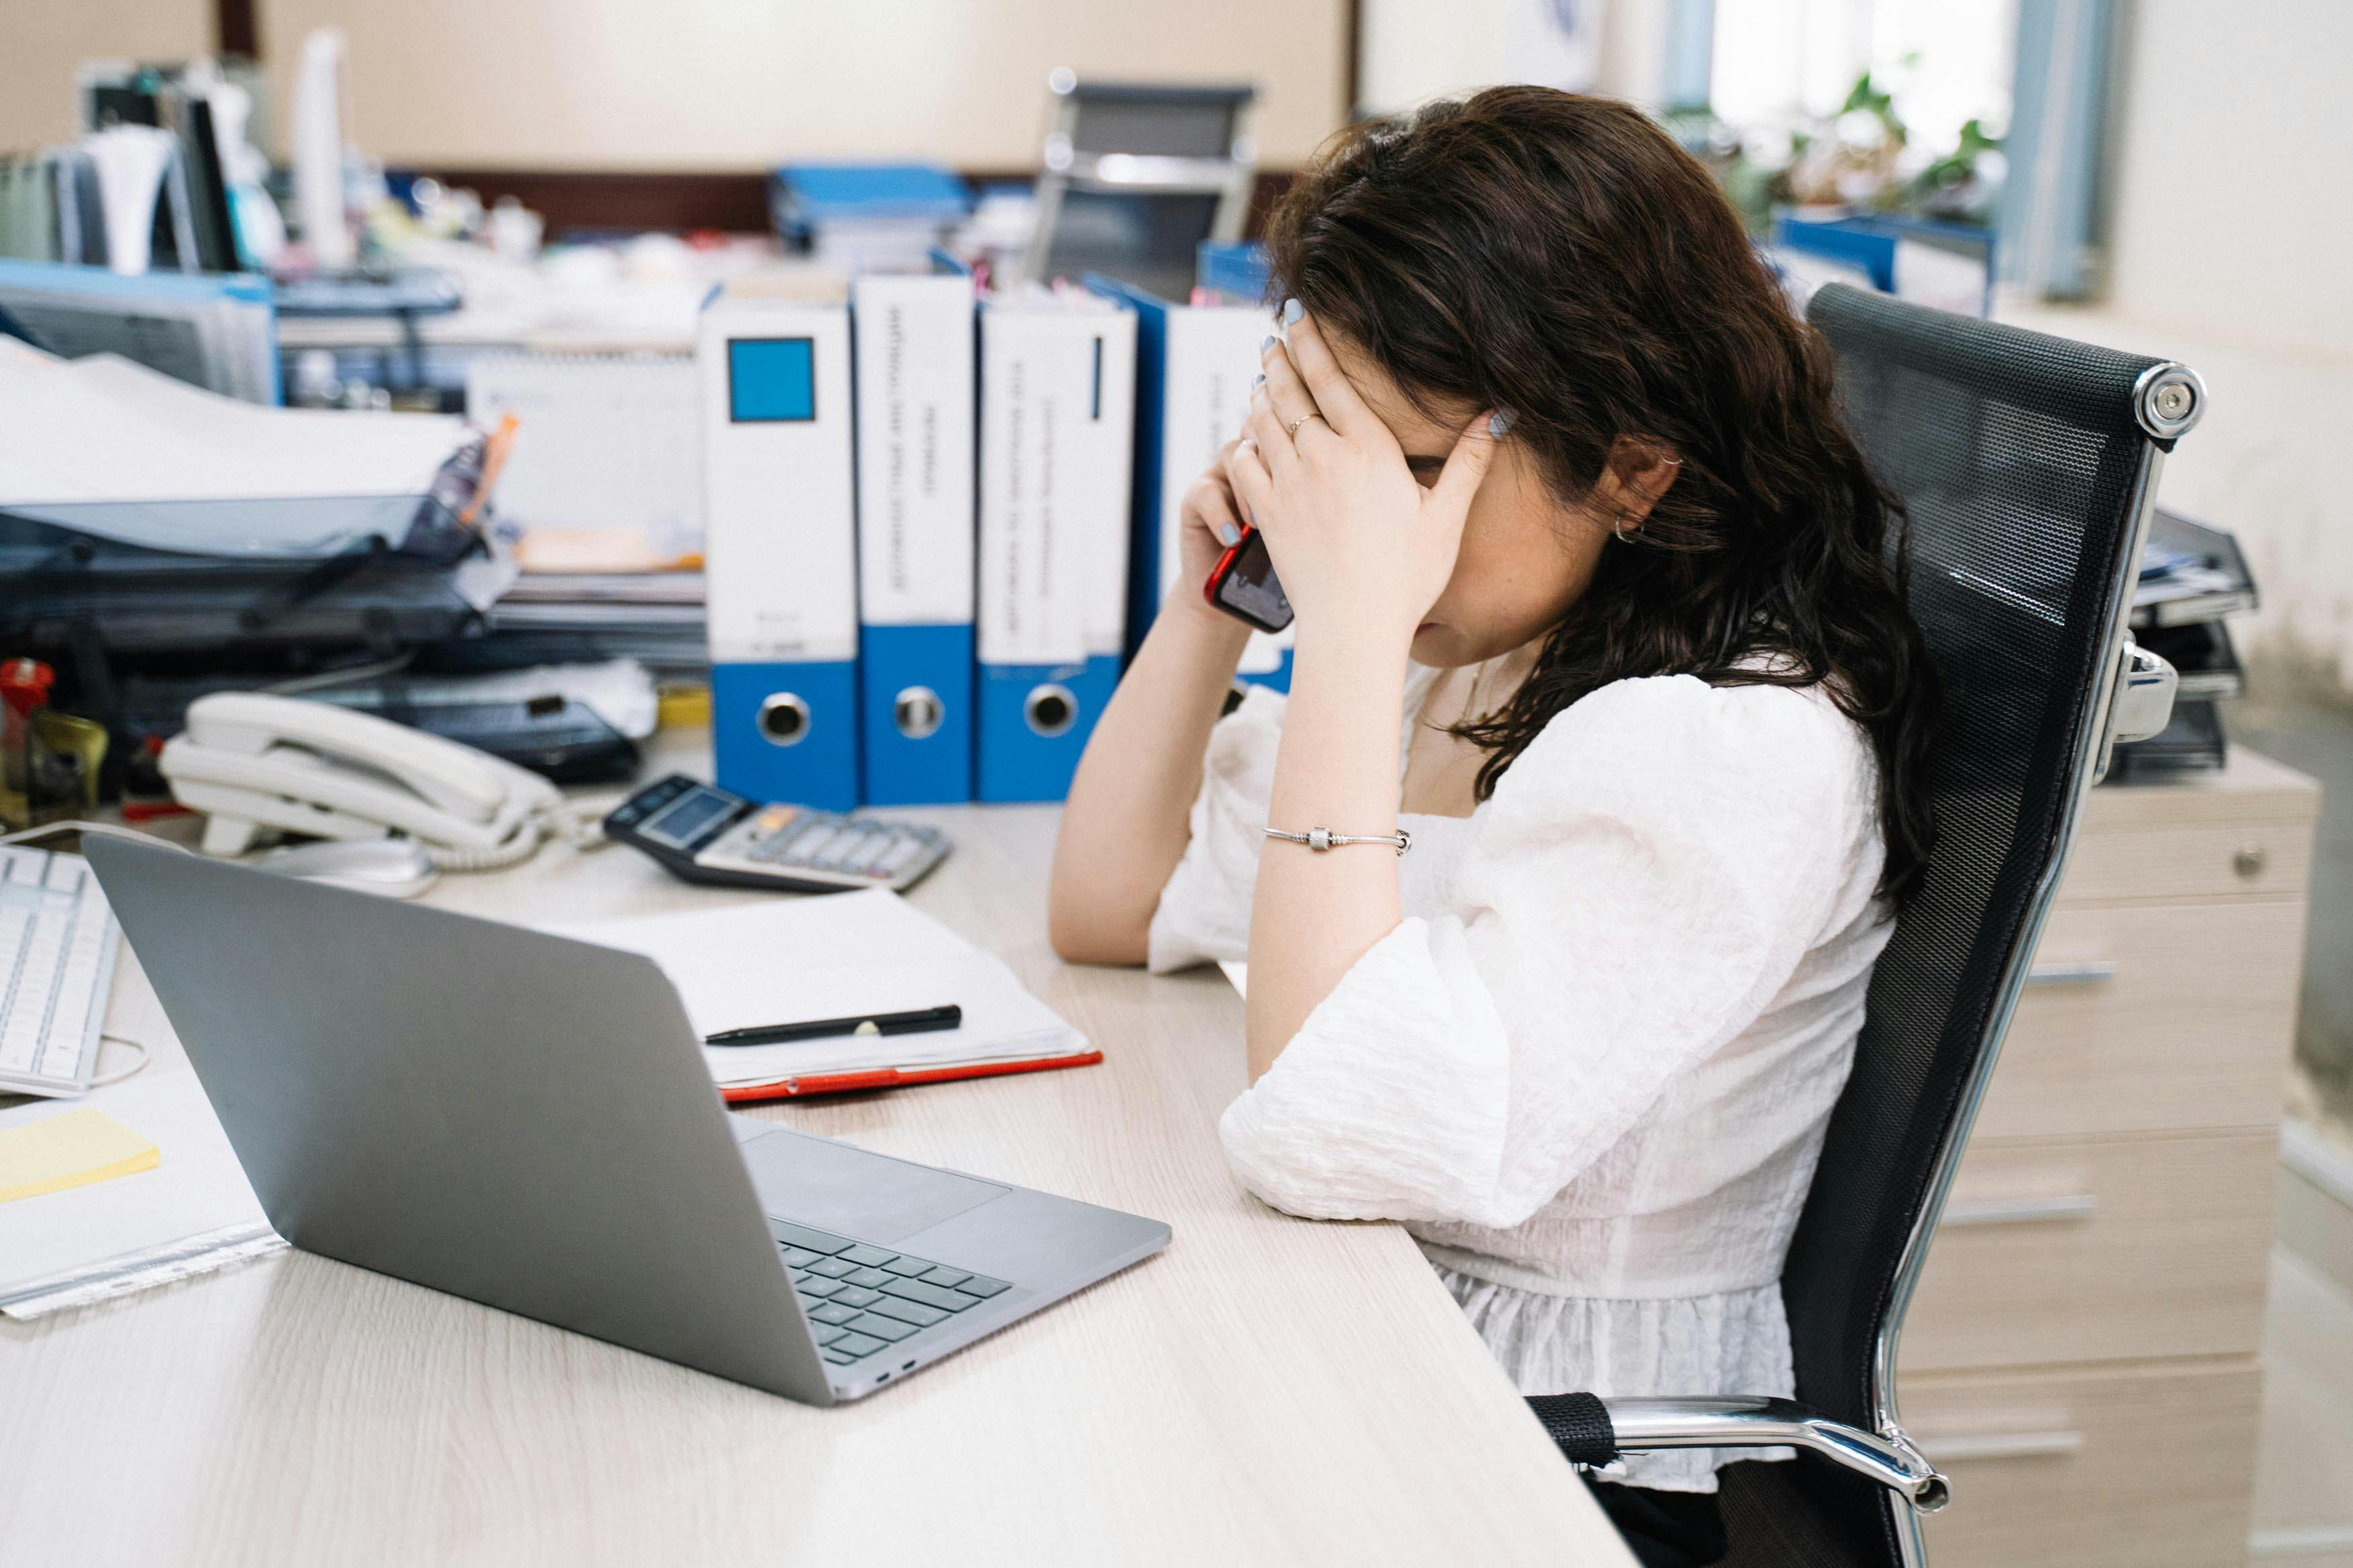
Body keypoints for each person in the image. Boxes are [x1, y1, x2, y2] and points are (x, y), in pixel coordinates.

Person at [1046, 87, 1938, 1568]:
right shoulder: (1486, 649)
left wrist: (1337, 629)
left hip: (1542, 1468)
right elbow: (1114, 905)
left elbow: (1334, 1136)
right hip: (1371, 1353)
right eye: (1314, 450)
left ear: (1634, 469)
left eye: (1395, 471)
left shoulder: (1721, 745)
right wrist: (1217, 596)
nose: (1345, 519)